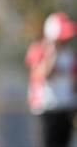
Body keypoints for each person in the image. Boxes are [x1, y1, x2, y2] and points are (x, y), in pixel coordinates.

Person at [25, 12, 77, 147]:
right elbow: (41, 74)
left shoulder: (70, 54)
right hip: (46, 109)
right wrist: (51, 53)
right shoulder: (39, 49)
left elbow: (73, 82)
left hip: (66, 108)